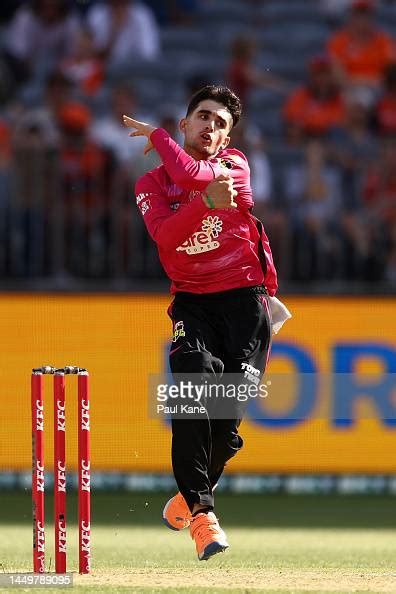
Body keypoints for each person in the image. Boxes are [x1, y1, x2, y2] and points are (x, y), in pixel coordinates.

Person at [123, 86, 285, 561]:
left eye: (220, 123)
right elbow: (169, 241)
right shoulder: (149, 185)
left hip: (246, 301)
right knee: (192, 387)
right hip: (192, 302)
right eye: (203, 118)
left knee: (225, 428)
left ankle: (187, 496)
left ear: (228, 137)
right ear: (185, 125)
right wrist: (204, 205)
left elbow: (194, 173)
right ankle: (202, 512)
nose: (211, 128)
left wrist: (155, 134)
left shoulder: (234, 165)